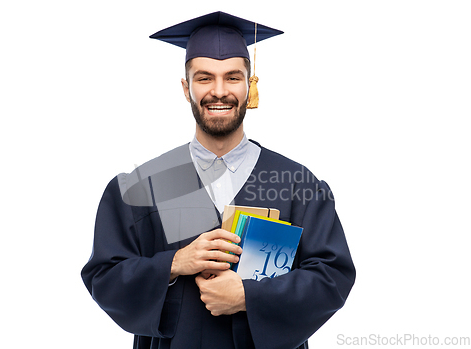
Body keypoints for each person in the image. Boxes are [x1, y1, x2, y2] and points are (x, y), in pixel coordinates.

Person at [81, 11, 355, 349]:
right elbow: (104, 277)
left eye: (233, 77)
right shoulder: (148, 185)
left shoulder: (297, 185)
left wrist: (249, 297)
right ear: (186, 88)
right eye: (204, 78)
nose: (219, 91)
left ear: (250, 84)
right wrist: (174, 263)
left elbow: (332, 277)